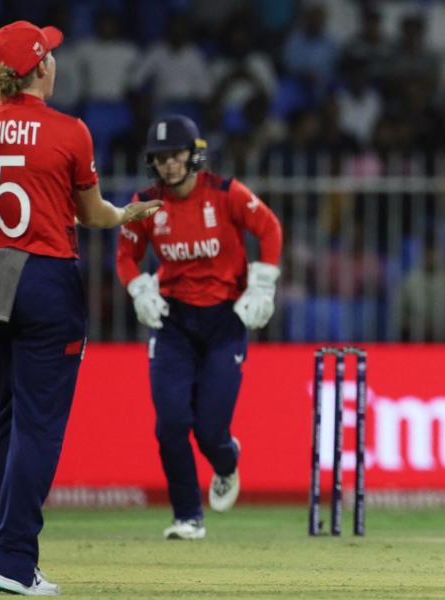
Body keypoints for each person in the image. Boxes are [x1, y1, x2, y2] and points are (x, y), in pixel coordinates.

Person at [0, 20, 161, 596]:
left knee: (2, 418)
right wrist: (126, 215)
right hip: (44, 275)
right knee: (38, 425)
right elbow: (91, 215)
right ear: (42, 65)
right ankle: (16, 560)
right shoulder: (70, 132)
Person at [115, 114, 282, 540]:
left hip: (225, 321)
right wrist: (137, 289)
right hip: (173, 322)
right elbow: (125, 256)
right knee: (170, 424)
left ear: (194, 155)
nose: (170, 165)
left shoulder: (226, 193)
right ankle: (188, 516)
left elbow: (270, 229)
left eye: (176, 156)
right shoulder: (146, 203)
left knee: (210, 433)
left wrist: (263, 285)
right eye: (161, 158)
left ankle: (226, 462)